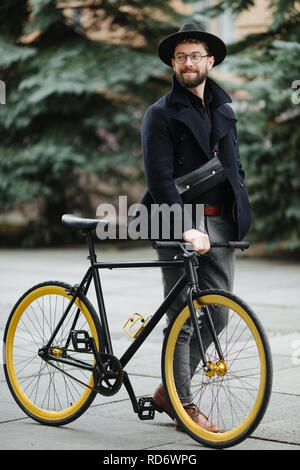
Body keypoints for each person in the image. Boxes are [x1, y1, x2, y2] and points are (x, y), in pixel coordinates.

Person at [130, 23, 252, 432]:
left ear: (210, 60)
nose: (188, 62)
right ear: (173, 62)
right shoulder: (160, 114)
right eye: (181, 56)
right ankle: (182, 405)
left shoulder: (223, 108)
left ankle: (167, 388)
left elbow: (234, 165)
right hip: (176, 221)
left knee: (218, 314)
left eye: (196, 55)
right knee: (182, 317)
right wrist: (185, 228)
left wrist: (241, 204)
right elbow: (160, 181)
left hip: (219, 221)